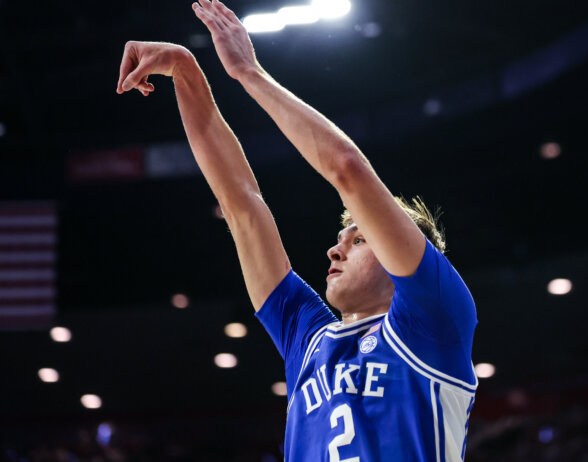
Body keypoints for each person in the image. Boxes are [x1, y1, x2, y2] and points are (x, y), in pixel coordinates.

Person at [116, 1, 478, 460]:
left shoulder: (433, 316)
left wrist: (250, 73)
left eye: (358, 237)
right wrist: (185, 73)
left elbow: (347, 170)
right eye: (341, 237)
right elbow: (241, 207)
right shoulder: (310, 339)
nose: (334, 249)